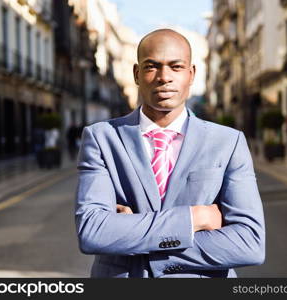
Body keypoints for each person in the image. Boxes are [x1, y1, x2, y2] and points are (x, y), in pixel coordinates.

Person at [75, 29, 265, 278]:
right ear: (136, 74)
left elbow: (250, 244)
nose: (164, 77)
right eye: (152, 66)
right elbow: (92, 232)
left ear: (191, 74)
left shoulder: (228, 142)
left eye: (176, 67)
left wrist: (130, 234)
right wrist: (194, 218)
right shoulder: (101, 138)